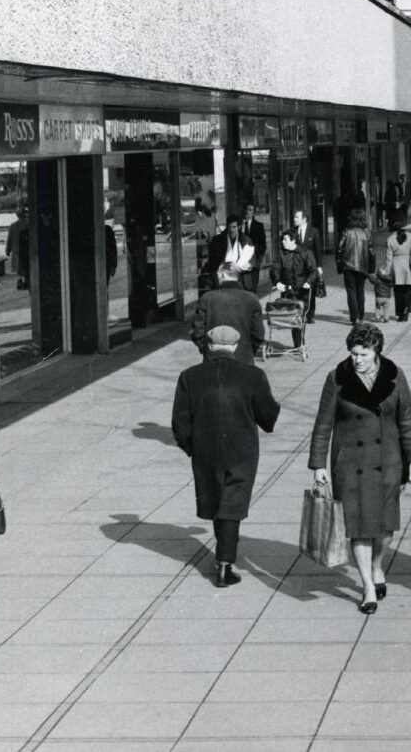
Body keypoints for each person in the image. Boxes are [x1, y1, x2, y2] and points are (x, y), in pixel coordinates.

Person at [308, 325, 411, 614]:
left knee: (385, 528)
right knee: (358, 527)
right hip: (350, 464)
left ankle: (376, 565)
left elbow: (407, 419)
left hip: (388, 461)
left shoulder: (395, 376)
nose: (357, 359)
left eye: (363, 353)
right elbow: (323, 424)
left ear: (377, 351)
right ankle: (368, 587)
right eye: (353, 353)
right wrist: (318, 464)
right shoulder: (337, 378)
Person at [172, 324, 280, 587]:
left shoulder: (190, 376)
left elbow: (180, 422)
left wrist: (191, 447)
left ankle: (223, 557)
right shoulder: (253, 375)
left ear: (209, 346)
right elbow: (268, 415)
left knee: (216, 499)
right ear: (234, 346)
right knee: (232, 502)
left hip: (206, 449)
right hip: (242, 449)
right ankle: (224, 563)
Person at [191, 273, 265, 364]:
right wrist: (250, 351)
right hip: (244, 357)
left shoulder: (207, 298)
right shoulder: (251, 298)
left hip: (212, 357)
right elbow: (258, 333)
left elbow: (197, 331)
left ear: (221, 275)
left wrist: (205, 349)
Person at [269, 227, 319, 351]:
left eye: (285, 239)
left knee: (300, 316)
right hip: (287, 291)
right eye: (282, 239)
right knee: (291, 316)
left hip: (302, 291)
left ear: (293, 241)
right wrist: (277, 282)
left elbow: (313, 270)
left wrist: (308, 282)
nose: (283, 242)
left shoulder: (305, 253)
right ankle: (298, 344)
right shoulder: (281, 254)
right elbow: (274, 269)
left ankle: (299, 344)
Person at [337, 209, 374, 326]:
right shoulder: (366, 233)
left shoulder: (346, 232)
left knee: (351, 291)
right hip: (362, 265)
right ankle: (361, 315)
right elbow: (371, 251)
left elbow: (339, 249)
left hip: (348, 265)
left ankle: (354, 316)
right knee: (360, 290)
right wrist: (371, 268)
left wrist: (339, 265)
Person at [384, 222, 411, 321]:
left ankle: (400, 313)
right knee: (409, 288)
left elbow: (389, 258)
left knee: (398, 289)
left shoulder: (390, 240)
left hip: (396, 265)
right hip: (408, 265)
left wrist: (387, 272)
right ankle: (406, 308)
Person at [208, 214, 255, 287]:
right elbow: (212, 259)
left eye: (234, 227)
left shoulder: (246, 241)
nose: (231, 230)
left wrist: (237, 268)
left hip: (241, 278)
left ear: (239, 227)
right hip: (222, 277)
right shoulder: (217, 240)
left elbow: (251, 259)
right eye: (229, 227)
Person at [292, 208, 324, 299]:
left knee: (310, 292)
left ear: (304, 219)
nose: (294, 219)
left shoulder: (314, 231)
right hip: (297, 267)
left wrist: (319, 266)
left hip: (310, 266)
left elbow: (318, 250)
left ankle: (310, 311)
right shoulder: (293, 231)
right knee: (298, 292)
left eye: (296, 217)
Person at [238, 203, 267, 298]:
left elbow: (263, 245)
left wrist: (258, 261)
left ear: (253, 213)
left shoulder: (258, 226)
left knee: (252, 289)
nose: (247, 211)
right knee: (241, 289)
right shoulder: (237, 225)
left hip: (253, 262)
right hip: (239, 263)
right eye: (246, 209)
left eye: (250, 210)